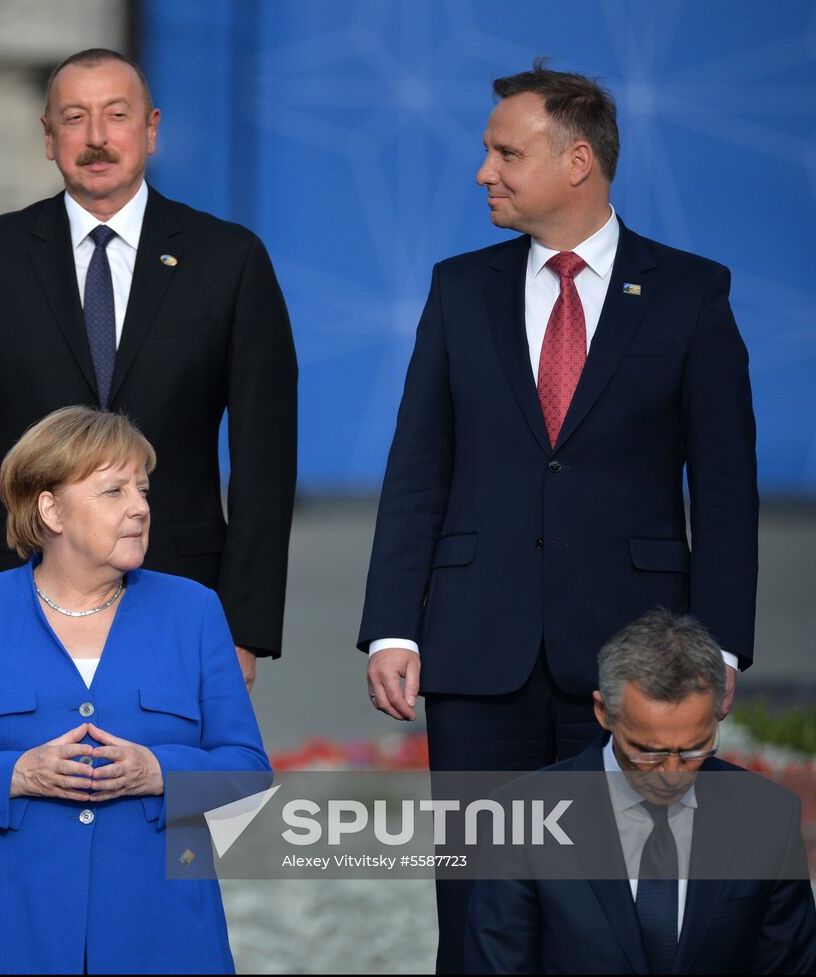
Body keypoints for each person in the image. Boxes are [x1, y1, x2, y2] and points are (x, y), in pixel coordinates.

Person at [356, 61, 758, 970]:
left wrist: (722, 647)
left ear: (578, 162)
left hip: (635, 657)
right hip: (475, 651)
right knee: (475, 909)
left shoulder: (691, 291)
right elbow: (418, 468)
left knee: (612, 912)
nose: (483, 171)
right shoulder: (459, 288)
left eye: (506, 153)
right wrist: (393, 626)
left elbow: (726, 488)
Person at [0, 47, 297, 689]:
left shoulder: (229, 261)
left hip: (180, 591)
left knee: (160, 757)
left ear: (151, 128)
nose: (96, 137)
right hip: (10, 588)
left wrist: (243, 628)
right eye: (75, 118)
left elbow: (266, 460)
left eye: (117, 115)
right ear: (48, 137)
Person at [0, 407, 269, 973]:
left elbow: (249, 776)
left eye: (142, 489)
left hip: (164, 938)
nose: (140, 507)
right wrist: (17, 774)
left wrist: (158, 772)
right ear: (51, 509)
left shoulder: (195, 611)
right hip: (3, 939)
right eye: (114, 491)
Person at [465, 610, 816, 974]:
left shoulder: (767, 817)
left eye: (695, 749)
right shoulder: (523, 818)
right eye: (648, 752)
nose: (672, 774)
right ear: (604, 712)